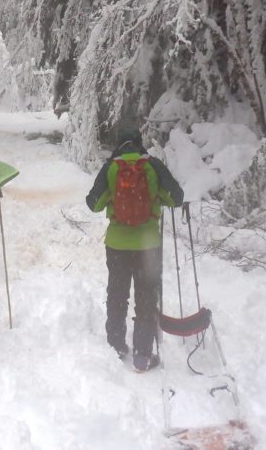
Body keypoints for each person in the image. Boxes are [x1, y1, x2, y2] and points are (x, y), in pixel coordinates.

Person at [85, 127, 184, 372]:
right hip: (148, 246)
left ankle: (116, 346)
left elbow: (93, 203)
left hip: (117, 245)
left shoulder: (111, 168)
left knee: (117, 295)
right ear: (140, 144)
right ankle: (142, 355)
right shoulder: (153, 166)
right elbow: (177, 198)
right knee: (146, 297)